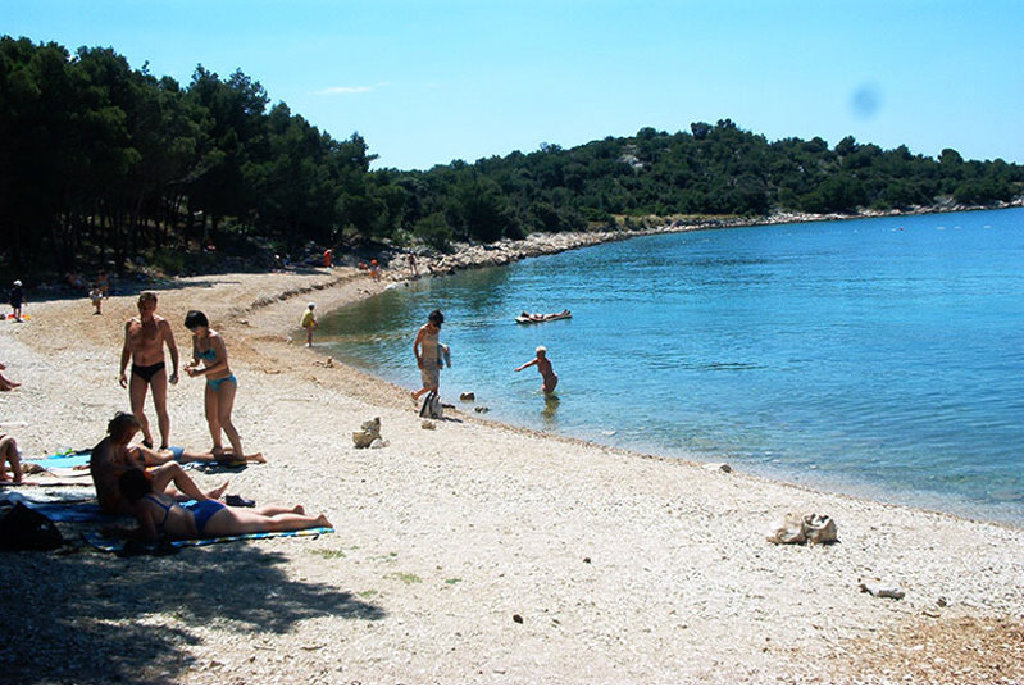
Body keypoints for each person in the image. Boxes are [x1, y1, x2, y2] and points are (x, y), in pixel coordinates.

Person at [117, 468, 330, 541]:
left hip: (203, 522)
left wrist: (121, 533)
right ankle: (293, 511)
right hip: (202, 509)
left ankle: (315, 521)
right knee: (259, 513)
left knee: (269, 524)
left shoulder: (143, 506)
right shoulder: (156, 493)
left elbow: (150, 535)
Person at [91, 412, 227, 515]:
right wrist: (134, 470)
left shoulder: (122, 447)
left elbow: (135, 468)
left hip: (129, 494)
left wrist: (145, 471)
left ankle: (206, 496)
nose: (130, 438)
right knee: (173, 467)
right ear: (118, 431)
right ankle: (205, 500)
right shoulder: (105, 448)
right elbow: (106, 467)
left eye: (132, 435)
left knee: (171, 492)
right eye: (128, 434)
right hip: (117, 502)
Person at [184, 309, 246, 463]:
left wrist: (200, 372)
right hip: (211, 381)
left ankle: (239, 453)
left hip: (225, 380)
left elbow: (223, 364)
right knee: (211, 417)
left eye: (196, 327)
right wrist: (191, 365)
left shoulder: (215, 338)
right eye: (192, 329)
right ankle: (217, 446)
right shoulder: (196, 339)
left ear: (203, 325)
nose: (194, 331)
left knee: (224, 419)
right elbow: (196, 358)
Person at [119, 292, 179, 449]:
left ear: (154, 307)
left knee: (161, 408)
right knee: (136, 410)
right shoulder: (131, 324)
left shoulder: (161, 324)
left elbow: (172, 347)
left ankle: (165, 444)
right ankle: (148, 438)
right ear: (138, 306)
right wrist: (122, 371)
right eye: (143, 307)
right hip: (138, 368)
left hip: (156, 368)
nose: (145, 310)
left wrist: (175, 371)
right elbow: (127, 349)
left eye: (149, 307)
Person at [411, 309, 444, 402]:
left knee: (436, 386)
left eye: (438, 325)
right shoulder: (423, 330)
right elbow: (416, 345)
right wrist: (419, 360)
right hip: (425, 360)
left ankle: (434, 405)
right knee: (429, 386)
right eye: (434, 325)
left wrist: (442, 350)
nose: (436, 328)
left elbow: (435, 343)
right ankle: (416, 395)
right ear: (430, 321)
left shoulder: (437, 329)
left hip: (435, 359)